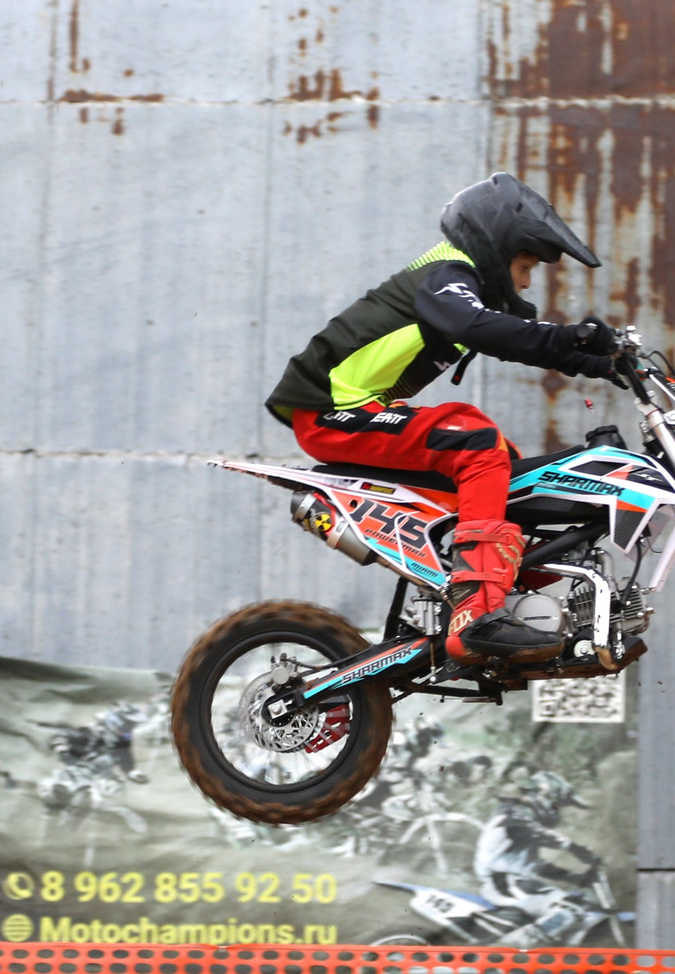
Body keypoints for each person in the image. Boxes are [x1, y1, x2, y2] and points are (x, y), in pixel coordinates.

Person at [266, 174, 620, 663]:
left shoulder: (461, 291)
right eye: (524, 264)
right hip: (331, 414)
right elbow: (482, 327)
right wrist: (569, 337)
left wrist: (601, 363)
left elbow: (512, 338)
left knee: (506, 465)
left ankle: (512, 587)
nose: (526, 281)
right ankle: (474, 614)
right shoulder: (448, 276)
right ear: (496, 248)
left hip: (358, 413)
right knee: (473, 441)